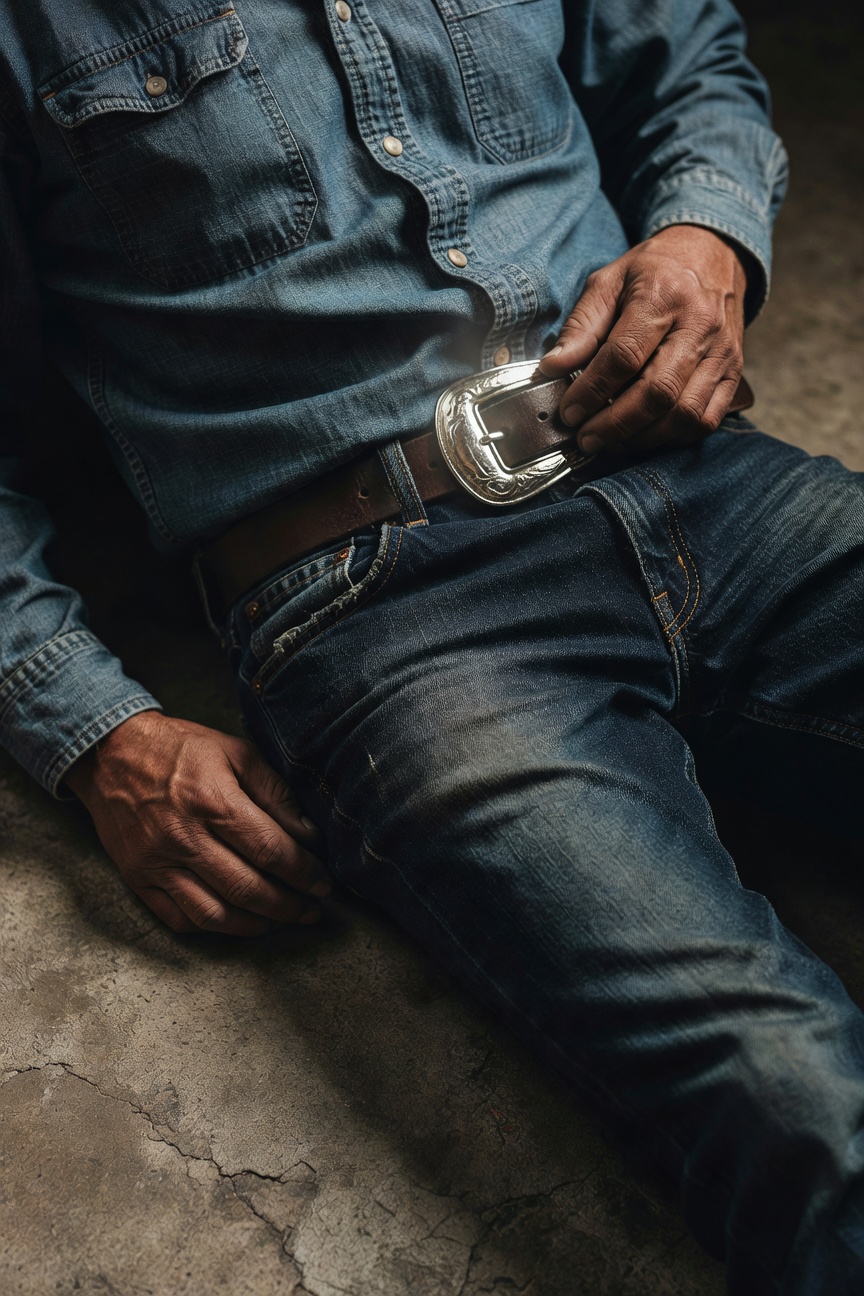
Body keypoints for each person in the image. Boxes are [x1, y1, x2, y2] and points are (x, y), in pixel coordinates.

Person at [1, 0, 862, 1289]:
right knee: (791, 1094)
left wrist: (706, 233)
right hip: (388, 616)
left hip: (698, 474)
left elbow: (685, 57)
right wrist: (88, 730)